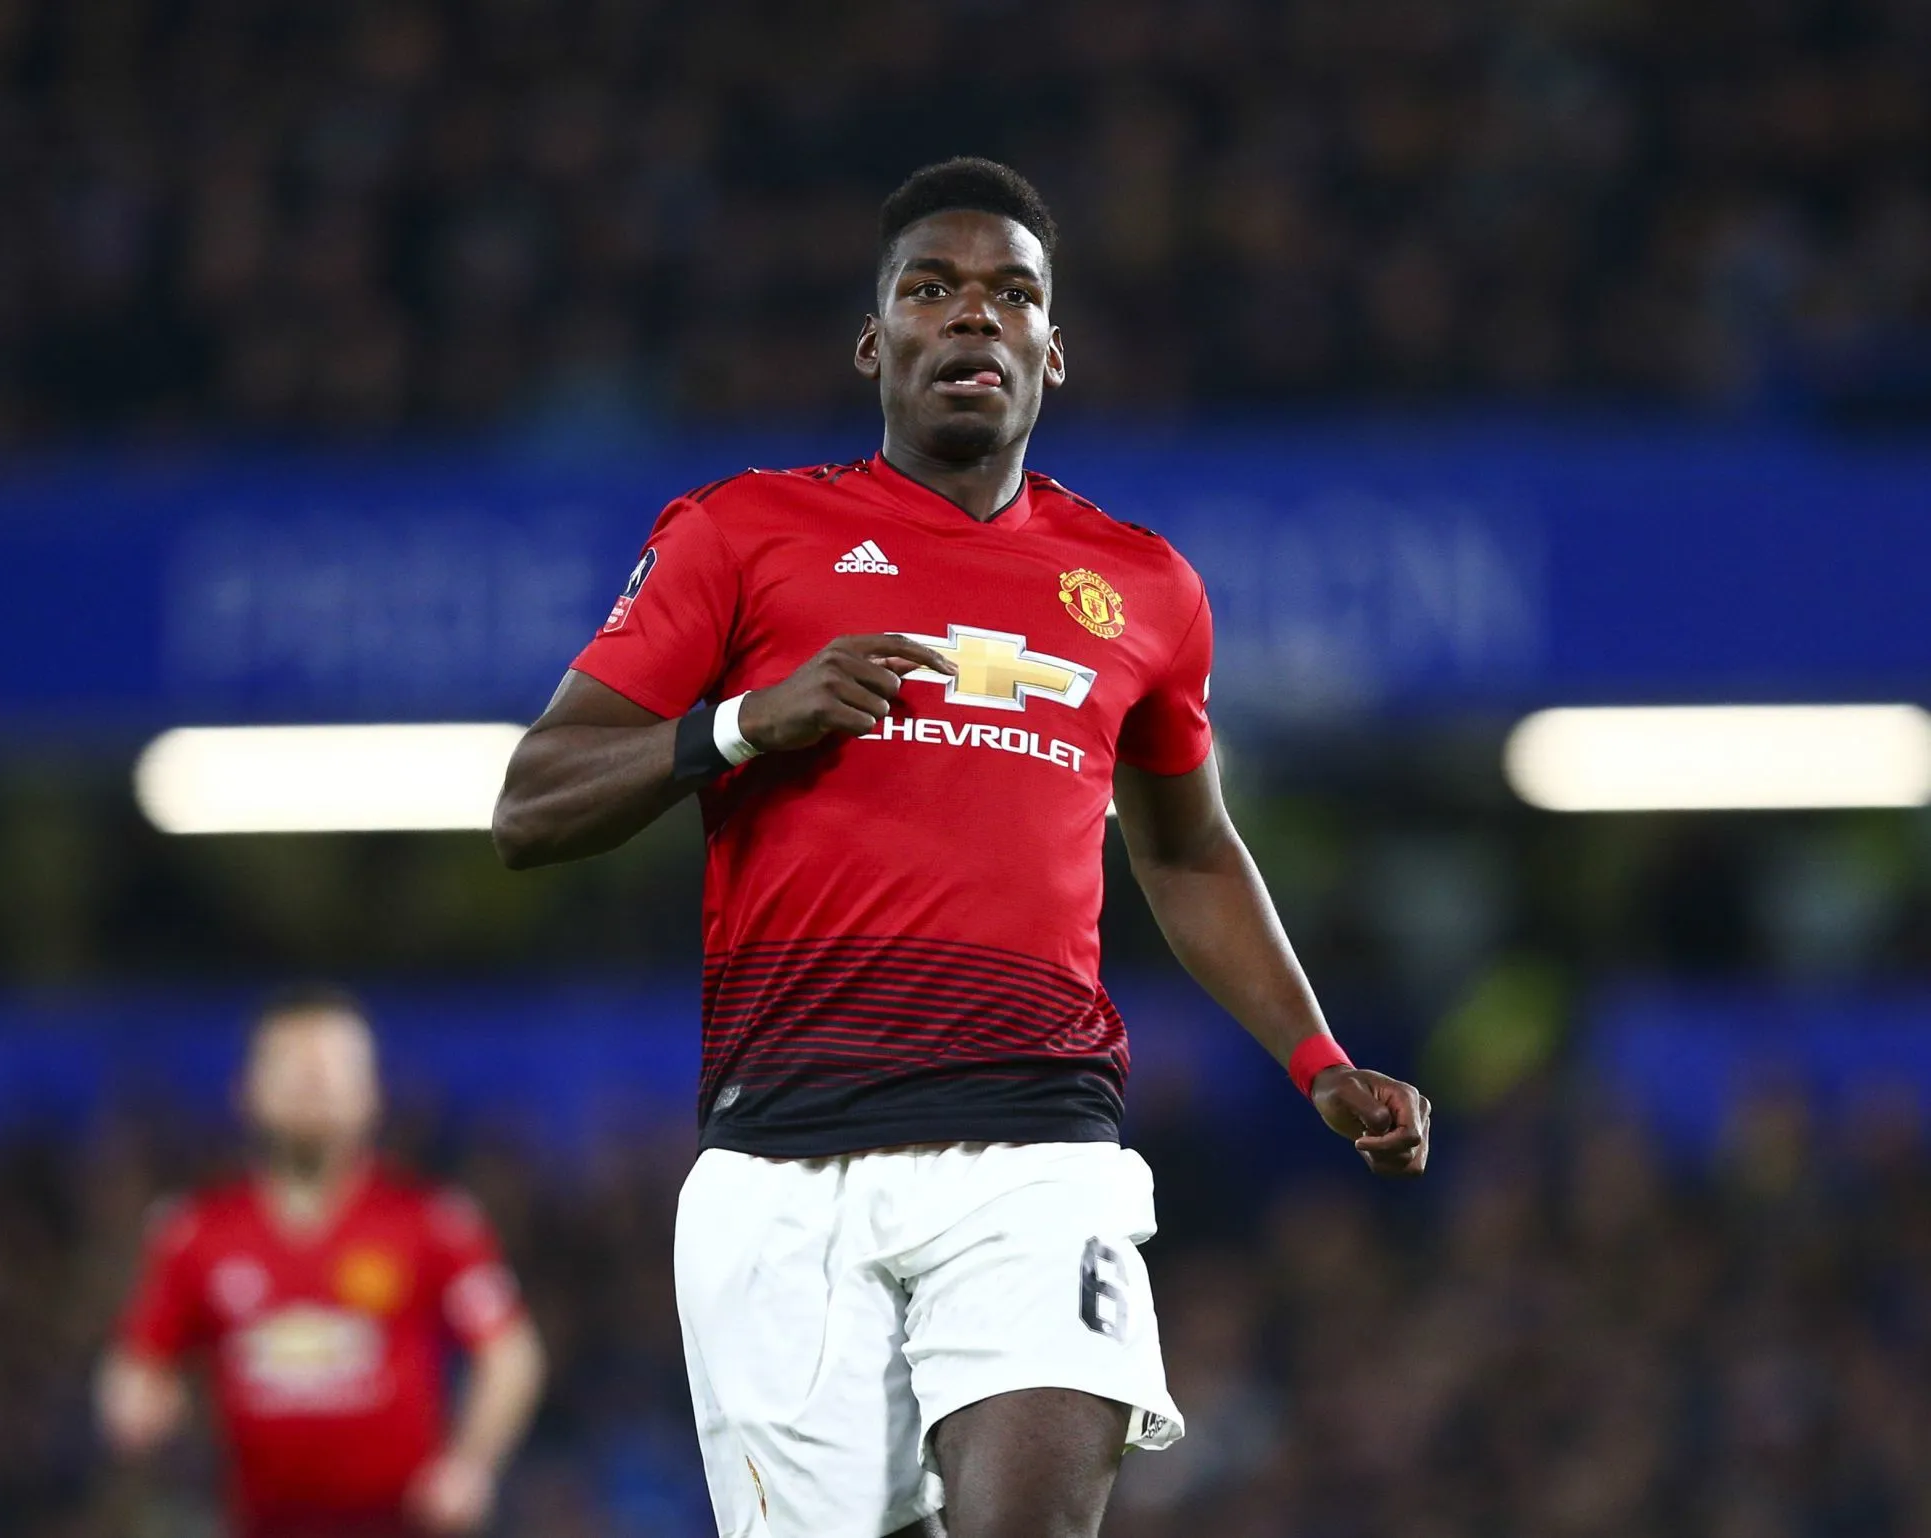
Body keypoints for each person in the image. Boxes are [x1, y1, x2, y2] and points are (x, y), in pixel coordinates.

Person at [491, 157, 1431, 1538]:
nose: (973, 314)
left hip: (1035, 1144)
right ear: (873, 344)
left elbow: (1186, 852)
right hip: (782, 1165)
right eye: (929, 289)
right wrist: (746, 722)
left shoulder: (1143, 588)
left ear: (1054, 349)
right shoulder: (740, 535)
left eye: (1012, 294)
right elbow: (532, 803)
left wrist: (1318, 1057)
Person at [97, 986, 546, 1538]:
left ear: (373, 1092)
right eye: (292, 1065)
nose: (314, 1081)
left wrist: (470, 1464)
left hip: (402, 1526)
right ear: (245, 1090)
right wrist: (136, 1406)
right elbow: (135, 1367)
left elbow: (511, 1355)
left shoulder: (431, 1222)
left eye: (333, 1066)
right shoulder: (196, 1234)